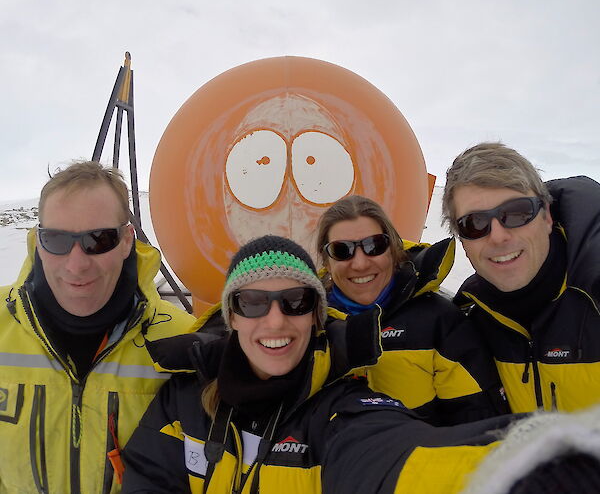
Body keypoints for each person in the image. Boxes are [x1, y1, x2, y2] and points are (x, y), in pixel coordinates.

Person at [121, 234, 521, 493]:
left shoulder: (343, 412)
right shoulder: (182, 403)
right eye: (253, 302)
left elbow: (395, 457)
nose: (275, 320)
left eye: (297, 301)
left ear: (316, 316)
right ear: (233, 316)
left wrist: (535, 460)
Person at [0, 161, 196, 493]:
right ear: (38, 242)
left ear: (126, 241)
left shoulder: (184, 341)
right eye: (57, 240)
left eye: (98, 239)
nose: (76, 265)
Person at [316, 195, 508, 425]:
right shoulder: (305, 325)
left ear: (394, 250)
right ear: (326, 261)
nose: (360, 263)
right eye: (341, 250)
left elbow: (478, 429)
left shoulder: (440, 324)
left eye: (374, 246)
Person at [442, 141, 600, 413]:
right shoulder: (467, 323)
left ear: (547, 216)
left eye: (516, 213)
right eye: (474, 224)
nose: (499, 236)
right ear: (462, 240)